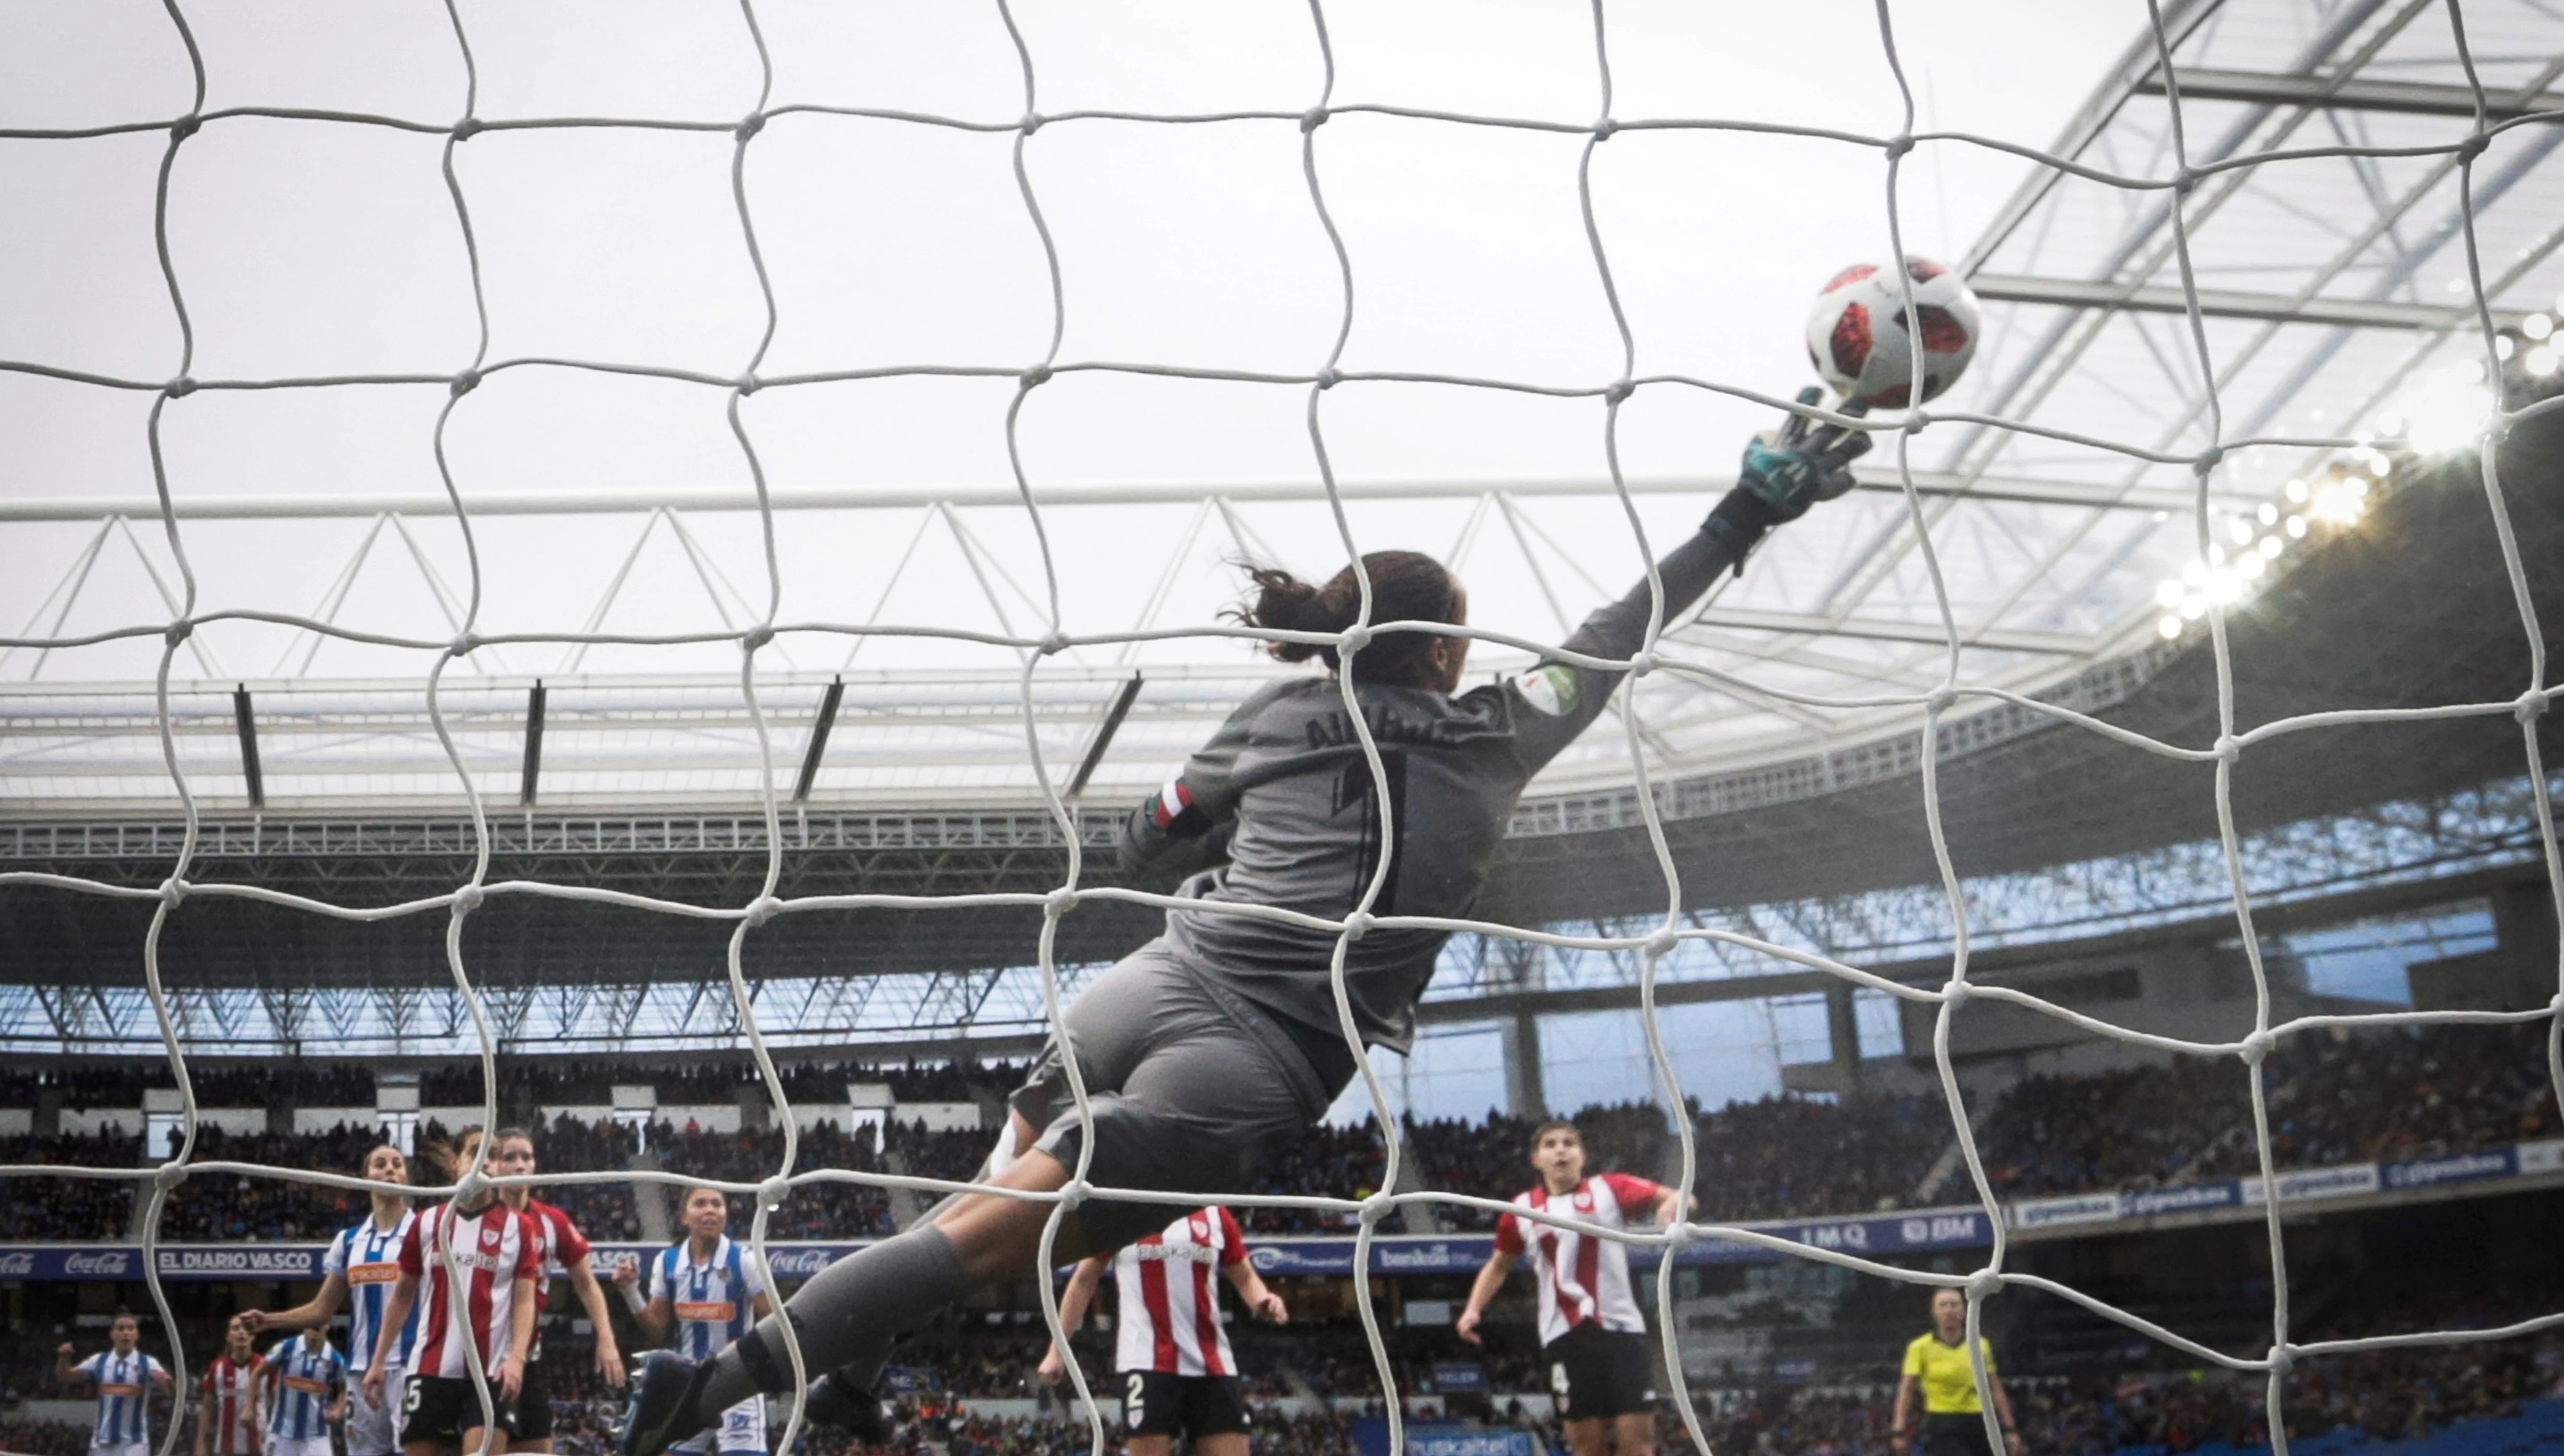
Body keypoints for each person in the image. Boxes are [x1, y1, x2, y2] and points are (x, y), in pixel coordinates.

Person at [619, 393, 1873, 1456]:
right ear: (1445, 651)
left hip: (1144, 985)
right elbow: (1625, 626)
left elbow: (1150, 836)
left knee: (979, 1199)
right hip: (1252, 1053)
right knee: (994, 1238)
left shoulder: (1276, 720)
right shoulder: (1503, 726)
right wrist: (1746, 511)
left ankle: (851, 1367)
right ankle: (709, 1390)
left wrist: (1218, 830)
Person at [1456, 1121, 1688, 1456]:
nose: (1561, 1150)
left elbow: (1682, 1196)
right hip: (1564, 1336)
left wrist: (1671, 1204)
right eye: (1550, 1144)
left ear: (1583, 1156)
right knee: (1586, 1448)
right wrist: (1473, 1309)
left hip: (1621, 1329)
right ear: (1536, 1159)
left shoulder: (1610, 1189)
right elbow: (1499, 1265)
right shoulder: (1520, 1210)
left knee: (1638, 1446)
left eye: (1569, 1143)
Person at [1035, 1205, 1285, 1456]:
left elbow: (1244, 1276)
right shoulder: (1122, 1210)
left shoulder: (1216, 1215)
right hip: (1146, 1360)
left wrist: (1263, 1300)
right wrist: (1056, 1351)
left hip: (1212, 1361)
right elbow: (1083, 1280)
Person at [361, 1130, 543, 1456]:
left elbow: (524, 1299)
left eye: (494, 1154)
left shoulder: (520, 1228)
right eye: (477, 1152)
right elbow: (402, 1297)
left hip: (490, 1374)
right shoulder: (428, 1222)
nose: (487, 1162)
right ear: (455, 1162)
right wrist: (377, 1362)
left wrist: (517, 1359)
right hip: (430, 1370)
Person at [452, 1126, 628, 1453]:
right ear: (493, 1164)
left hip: (526, 1358)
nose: (520, 1165)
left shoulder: (552, 1222)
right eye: (509, 1158)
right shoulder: (468, 1219)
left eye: (527, 1157)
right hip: (473, 1360)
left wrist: (606, 1338)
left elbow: (587, 1282)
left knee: (537, 1450)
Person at [241, 1144, 418, 1456]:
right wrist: (269, 1320)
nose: (390, 1169)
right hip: (359, 1370)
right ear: (365, 1178)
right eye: (380, 1164)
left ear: (406, 1178)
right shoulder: (349, 1240)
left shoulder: (425, 1231)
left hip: (410, 1366)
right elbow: (322, 1309)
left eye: (397, 1164)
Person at [609, 1186, 776, 1456]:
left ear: (725, 1215)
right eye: (701, 1204)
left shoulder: (745, 1259)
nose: (710, 1210)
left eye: (717, 1204)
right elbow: (657, 1332)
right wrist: (630, 1292)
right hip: (687, 1386)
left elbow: (772, 1321)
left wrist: (747, 1351)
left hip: (738, 1382)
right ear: (684, 1217)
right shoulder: (668, 1262)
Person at [1890, 1289, 2021, 1456]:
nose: (1949, 1310)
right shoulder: (1919, 1347)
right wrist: (1898, 1430)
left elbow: (1994, 1388)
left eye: (1954, 1305)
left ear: (1964, 1310)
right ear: (1934, 1311)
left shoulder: (1981, 1345)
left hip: (1980, 1421)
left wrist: (2011, 1428)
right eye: (1943, 1305)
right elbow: (1907, 1390)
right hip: (1941, 1422)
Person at [56, 1312, 175, 1456]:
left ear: (137, 1335)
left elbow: (171, 1393)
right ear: (112, 1334)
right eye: (121, 1328)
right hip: (101, 1442)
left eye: (131, 1329)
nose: (126, 1333)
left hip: (134, 1444)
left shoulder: (148, 1363)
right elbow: (66, 1377)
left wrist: (169, 1383)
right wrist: (64, 1358)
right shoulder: (99, 1360)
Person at [257, 1323, 347, 1456]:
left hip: (317, 1436)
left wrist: (339, 1410)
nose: (315, 1327)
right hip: (281, 1433)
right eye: (312, 1323)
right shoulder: (286, 1347)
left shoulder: (335, 1359)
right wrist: (250, 1405)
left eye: (319, 1323)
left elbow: (345, 1388)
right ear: (304, 1326)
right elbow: (257, 1373)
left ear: (327, 1326)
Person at [195, 1318, 266, 1456]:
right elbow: (206, 1408)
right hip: (225, 1449)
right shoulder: (217, 1367)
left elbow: (277, 1400)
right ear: (228, 1337)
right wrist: (200, 1445)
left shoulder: (266, 1366)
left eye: (246, 1329)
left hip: (259, 1449)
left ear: (253, 1336)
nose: (241, 1332)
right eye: (236, 1328)